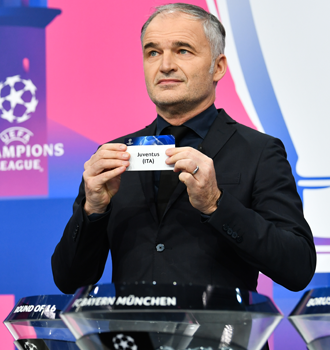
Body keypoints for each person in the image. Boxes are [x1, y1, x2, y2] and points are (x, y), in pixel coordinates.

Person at [51, 3, 316, 295]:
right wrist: (93, 210)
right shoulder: (113, 157)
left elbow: (298, 267)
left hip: (222, 338)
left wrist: (216, 204)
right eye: (153, 52)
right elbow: (68, 280)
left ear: (218, 67)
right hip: (134, 339)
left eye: (183, 50)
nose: (165, 65)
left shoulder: (259, 151)